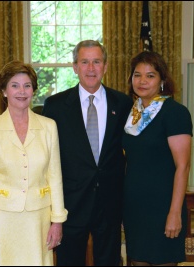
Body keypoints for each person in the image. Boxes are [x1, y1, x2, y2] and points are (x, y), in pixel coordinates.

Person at [42, 40, 133, 266]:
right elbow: (48, 158)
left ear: (106, 66)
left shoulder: (123, 103)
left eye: (96, 61)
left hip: (110, 204)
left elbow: (131, 152)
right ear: (75, 67)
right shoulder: (55, 106)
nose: (91, 68)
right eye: (84, 62)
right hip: (70, 205)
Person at [0, 60, 68, 266]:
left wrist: (57, 221)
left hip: (37, 220)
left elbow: (55, 177)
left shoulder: (49, 127)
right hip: (0, 221)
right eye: (15, 85)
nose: (21, 91)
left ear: (33, 90)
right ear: (4, 91)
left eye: (27, 85)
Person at [122, 51, 193, 266]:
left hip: (163, 205)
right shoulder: (130, 113)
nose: (142, 81)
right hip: (135, 206)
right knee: (137, 262)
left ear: (162, 80)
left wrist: (174, 213)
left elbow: (183, 166)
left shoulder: (175, 112)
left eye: (150, 75)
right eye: (137, 75)